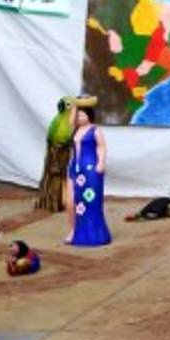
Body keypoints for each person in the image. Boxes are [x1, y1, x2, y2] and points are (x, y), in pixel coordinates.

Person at [64, 97, 111, 248]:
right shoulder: (75, 130)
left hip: (90, 169)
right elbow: (70, 122)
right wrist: (75, 106)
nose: (79, 117)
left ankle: (92, 232)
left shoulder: (95, 130)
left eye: (82, 115)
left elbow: (102, 147)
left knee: (89, 201)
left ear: (89, 115)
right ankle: (73, 229)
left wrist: (101, 163)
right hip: (74, 168)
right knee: (70, 201)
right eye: (78, 115)